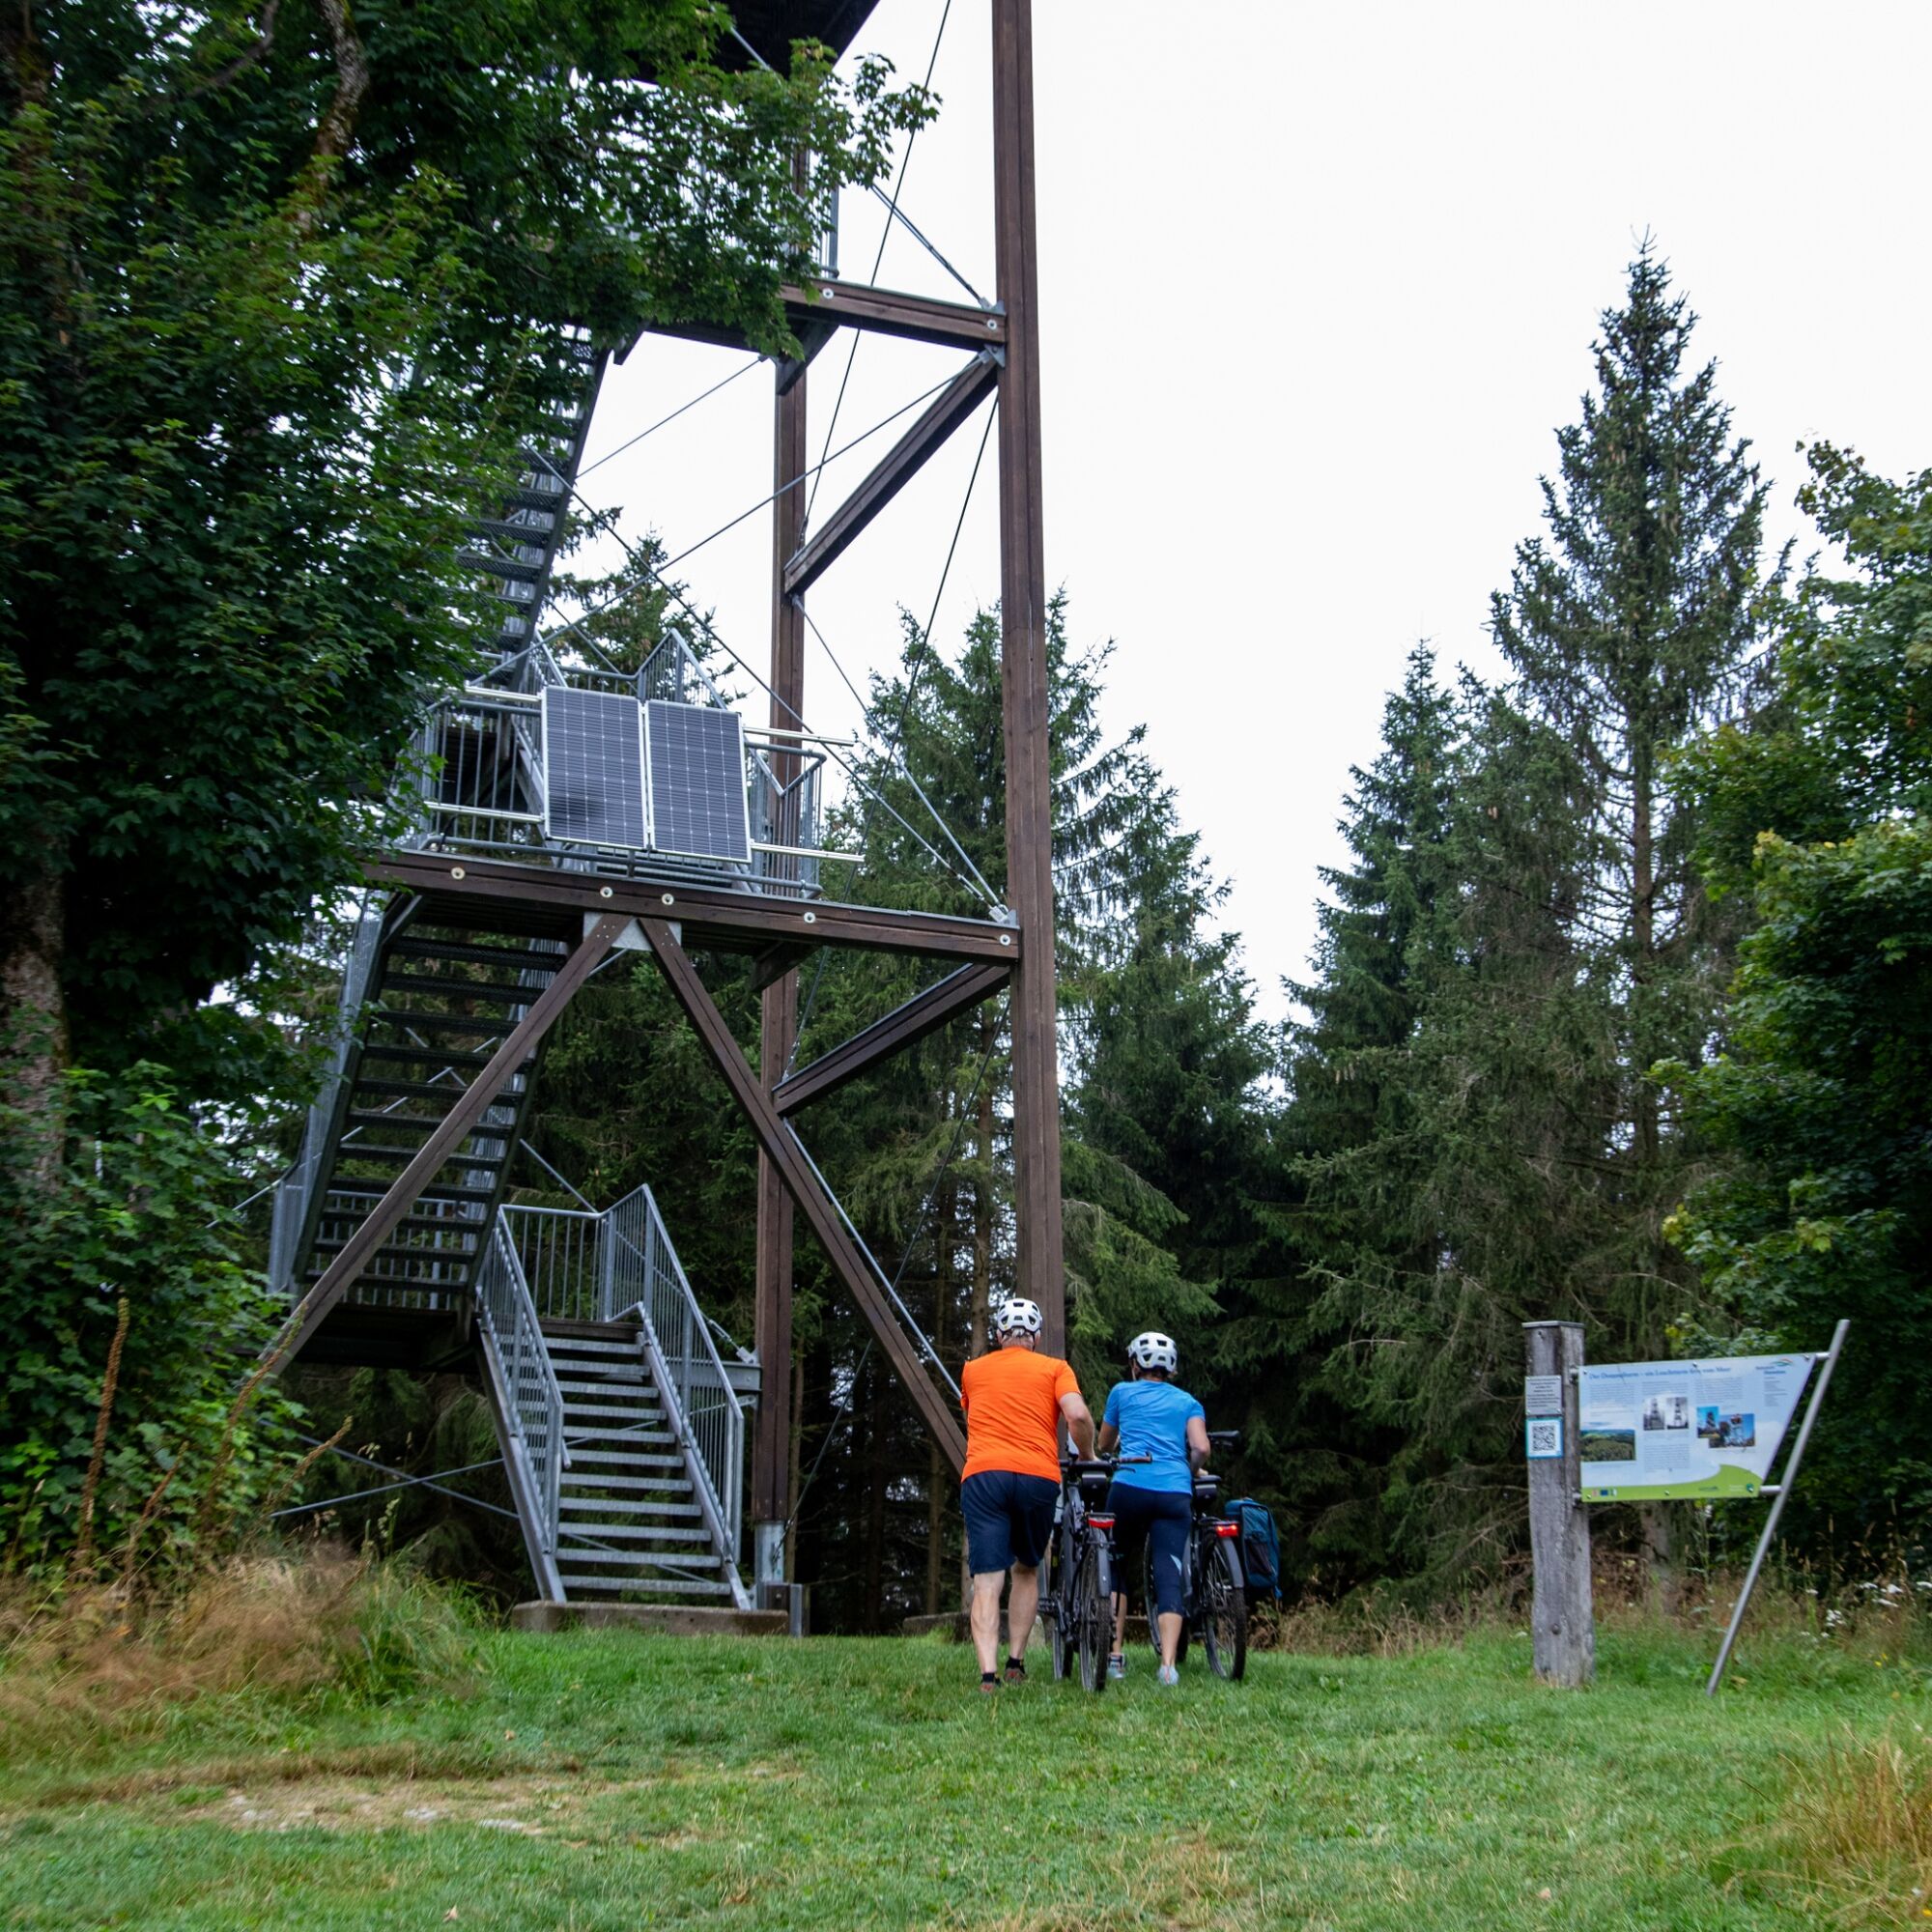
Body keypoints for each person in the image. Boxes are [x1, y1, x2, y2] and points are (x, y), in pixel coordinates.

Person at [958, 1296, 1094, 1692]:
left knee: (987, 1580)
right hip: (1038, 1475)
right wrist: (1087, 1454)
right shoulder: (1056, 1368)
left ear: (999, 1335)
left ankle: (988, 1676)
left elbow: (971, 1417)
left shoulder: (972, 1370)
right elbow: (1077, 1415)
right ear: (1035, 1337)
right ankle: (1015, 1662)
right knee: (1026, 1568)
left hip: (985, 1475)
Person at [1096, 1330, 1209, 1687]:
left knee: (1115, 1567)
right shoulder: (1188, 1402)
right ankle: (1168, 1666)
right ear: (1170, 1368)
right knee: (1169, 1573)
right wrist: (1187, 1470)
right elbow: (1201, 1448)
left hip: (1129, 1487)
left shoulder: (1121, 1392)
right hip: (1174, 1492)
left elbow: (1104, 1444)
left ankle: (1115, 1657)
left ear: (1134, 1364)